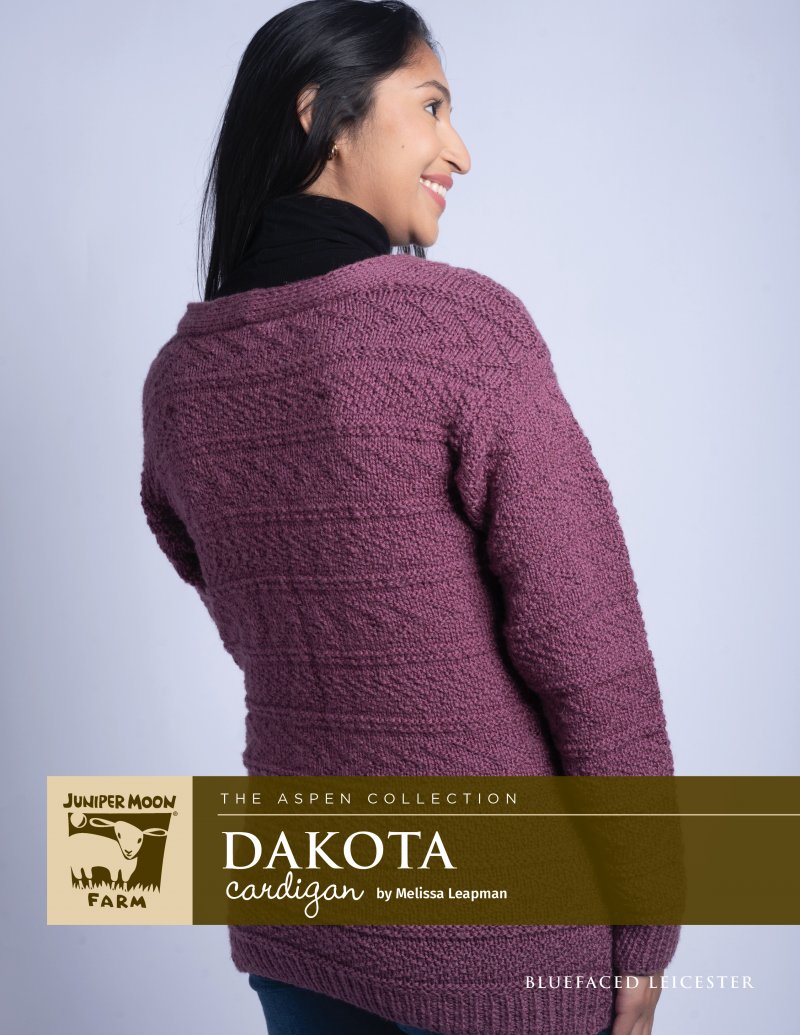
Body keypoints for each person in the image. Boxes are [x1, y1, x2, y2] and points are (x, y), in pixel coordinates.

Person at [139, 1, 680, 1033]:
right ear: (319, 113)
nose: (458, 150)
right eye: (431, 106)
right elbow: (587, 648)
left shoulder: (180, 380)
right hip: (495, 944)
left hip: (300, 918)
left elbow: (257, 624)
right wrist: (648, 922)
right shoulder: (454, 329)